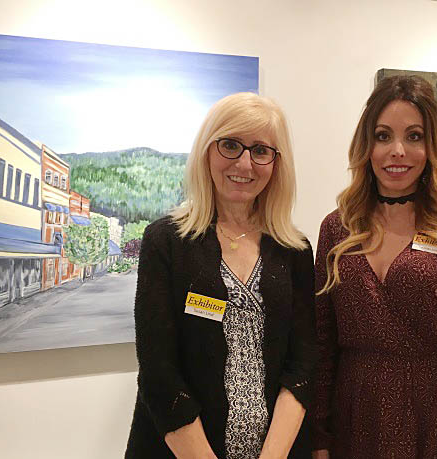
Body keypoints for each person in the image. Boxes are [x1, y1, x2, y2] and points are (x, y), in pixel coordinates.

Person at [312, 76, 437, 459]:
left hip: (432, 423)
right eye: (383, 136)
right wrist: (318, 439)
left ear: (432, 145)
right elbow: (322, 344)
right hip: (352, 421)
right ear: (367, 144)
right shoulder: (337, 227)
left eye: (414, 136)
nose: (398, 151)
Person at [125, 92, 317, 459]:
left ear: (277, 163)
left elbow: (303, 365)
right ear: (207, 150)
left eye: (261, 151)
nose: (245, 164)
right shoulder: (166, 241)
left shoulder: (295, 250)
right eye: (230, 145)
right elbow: (158, 371)